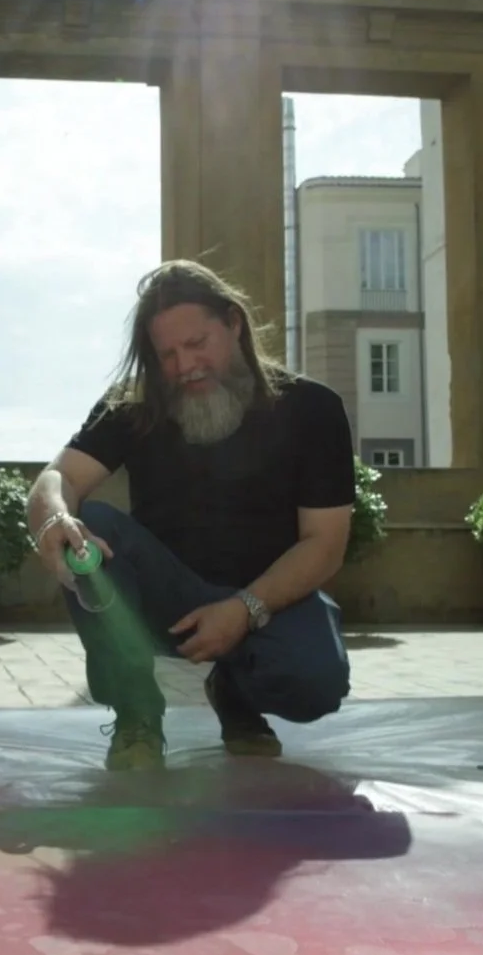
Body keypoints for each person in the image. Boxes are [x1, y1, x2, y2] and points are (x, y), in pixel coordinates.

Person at [26, 259, 356, 771]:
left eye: (197, 343)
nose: (185, 366)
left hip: (271, 600)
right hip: (169, 597)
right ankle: (136, 715)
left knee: (317, 682)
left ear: (233, 323)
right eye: (168, 355)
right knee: (91, 529)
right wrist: (52, 520)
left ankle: (235, 693)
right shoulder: (133, 405)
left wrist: (244, 609)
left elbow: (325, 544)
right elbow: (57, 479)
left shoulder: (313, 409)